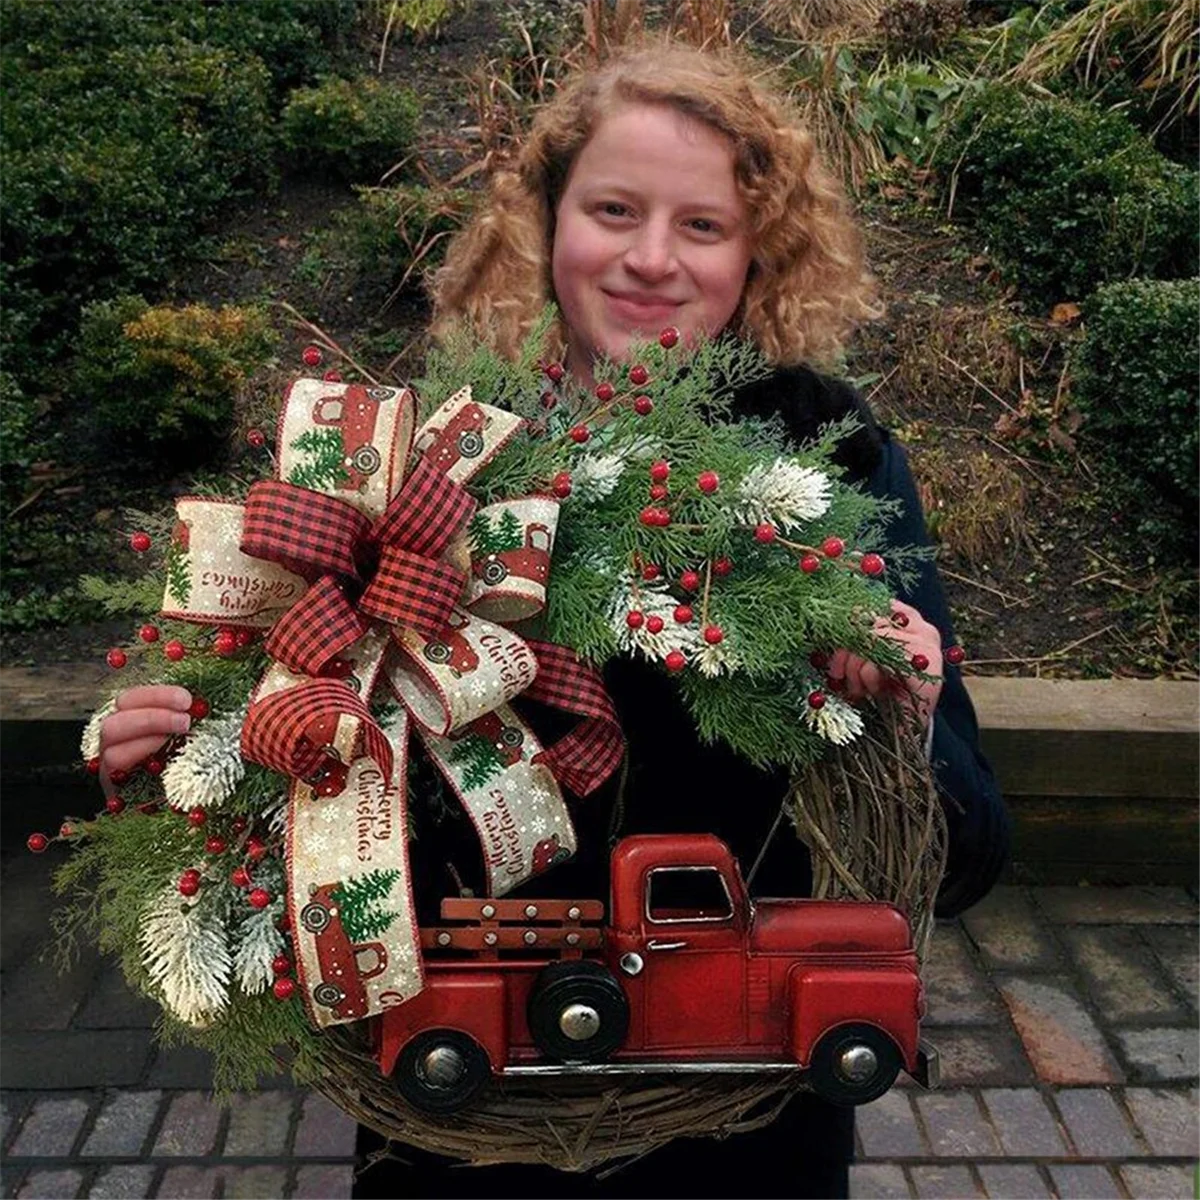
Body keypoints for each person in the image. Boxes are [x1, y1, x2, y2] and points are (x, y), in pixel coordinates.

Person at [99, 39, 1008, 1198]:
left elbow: (968, 856)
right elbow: (304, 732)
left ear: (758, 252)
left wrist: (917, 709)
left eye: (702, 225)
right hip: (467, 1103)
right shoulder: (430, 458)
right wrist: (191, 761)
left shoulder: (835, 469)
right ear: (545, 221)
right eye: (614, 209)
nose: (649, 259)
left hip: (740, 1113)